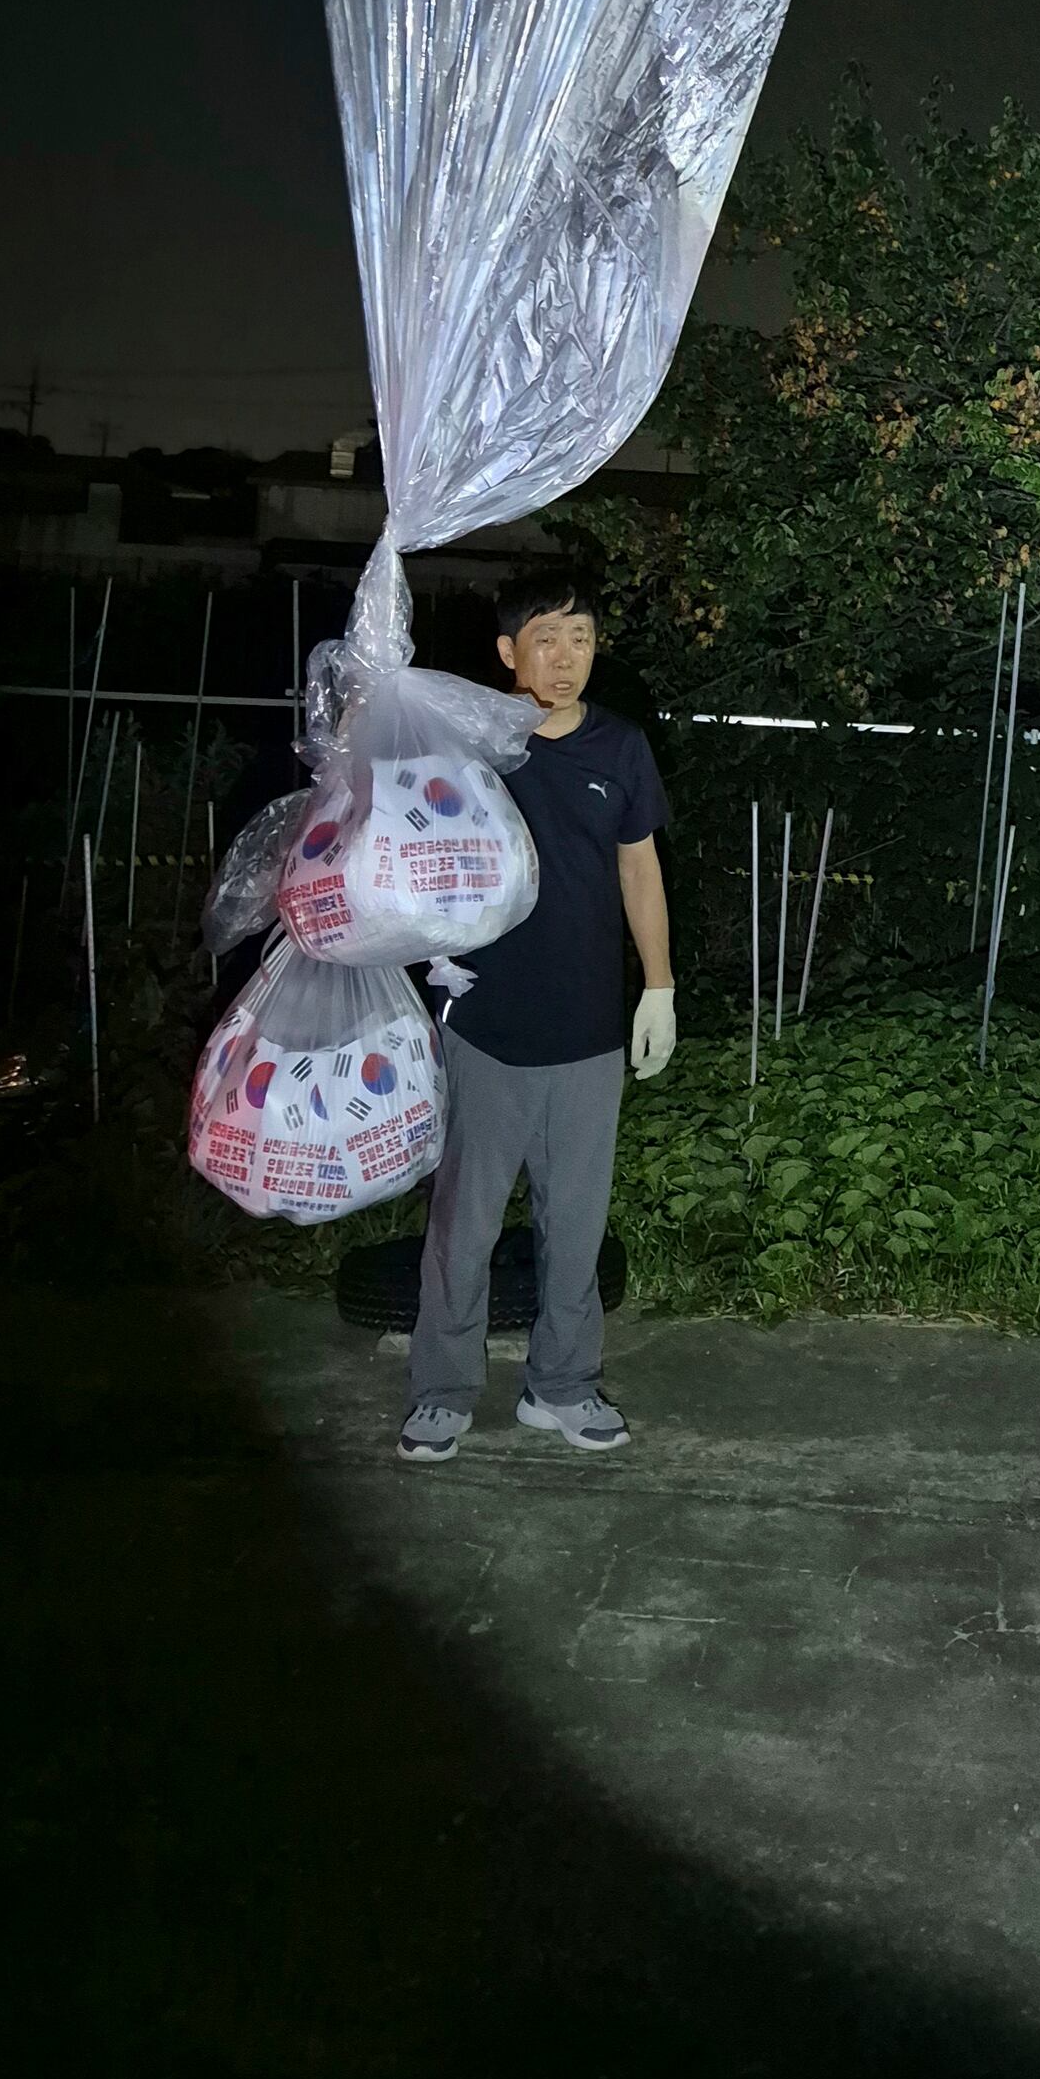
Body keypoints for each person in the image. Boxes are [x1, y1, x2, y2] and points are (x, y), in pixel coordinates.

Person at [400, 573, 675, 1463]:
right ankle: (442, 1392)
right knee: (464, 1224)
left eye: (582, 637)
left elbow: (640, 871)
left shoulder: (622, 748)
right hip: (484, 1020)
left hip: (589, 1028)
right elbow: (409, 843)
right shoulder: (471, 747)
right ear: (507, 652)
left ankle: (562, 1386)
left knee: (577, 1224)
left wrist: (659, 986)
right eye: (546, 638)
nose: (566, 657)